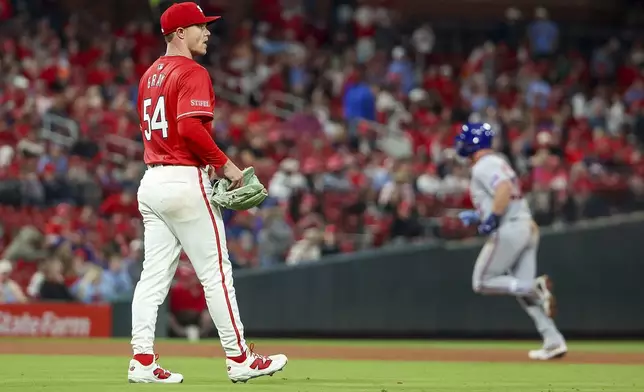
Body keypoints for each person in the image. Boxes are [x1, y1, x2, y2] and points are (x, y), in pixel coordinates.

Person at [129, 2, 287, 384]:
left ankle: (142, 359)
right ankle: (239, 357)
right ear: (180, 33)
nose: (208, 32)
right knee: (216, 273)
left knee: (152, 276)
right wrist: (227, 167)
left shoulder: (150, 74)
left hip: (152, 181)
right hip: (184, 179)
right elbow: (190, 130)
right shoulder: (192, 71)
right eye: (201, 26)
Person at [454, 122, 568, 361]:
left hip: (511, 228)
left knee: (482, 281)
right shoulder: (498, 161)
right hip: (526, 224)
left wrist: (493, 217)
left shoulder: (483, 165)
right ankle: (553, 340)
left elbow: (504, 189)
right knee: (519, 289)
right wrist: (479, 215)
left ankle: (534, 287)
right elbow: (505, 193)